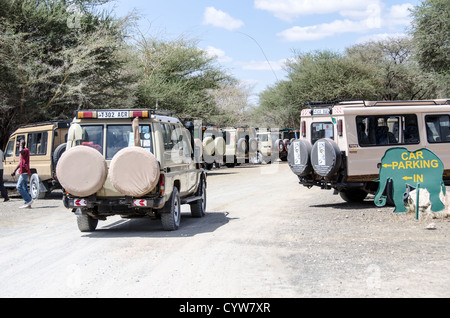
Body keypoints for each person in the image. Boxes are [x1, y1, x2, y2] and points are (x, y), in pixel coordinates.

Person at [12, 139, 33, 209]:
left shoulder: (25, 150)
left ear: (22, 144)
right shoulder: (21, 153)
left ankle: (29, 200)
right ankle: (27, 204)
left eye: (18, 144)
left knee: (19, 186)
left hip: (25, 172)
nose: (17, 146)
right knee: (25, 188)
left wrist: (21, 144)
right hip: (22, 171)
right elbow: (20, 163)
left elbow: (21, 150)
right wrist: (15, 170)